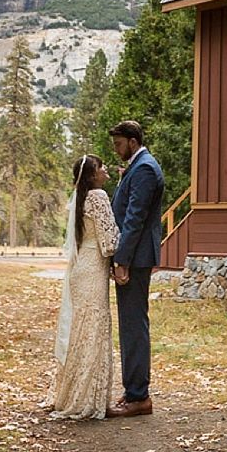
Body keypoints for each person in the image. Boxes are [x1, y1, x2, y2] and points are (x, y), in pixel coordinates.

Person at [49, 154, 118, 420]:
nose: (105, 171)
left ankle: (71, 393)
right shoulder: (98, 197)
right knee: (93, 329)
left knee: (81, 330)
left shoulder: (79, 199)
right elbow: (110, 240)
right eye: (102, 167)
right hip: (93, 269)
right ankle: (87, 399)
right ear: (92, 175)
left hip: (81, 268)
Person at [106, 120, 164, 418]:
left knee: (133, 326)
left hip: (135, 258)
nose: (116, 150)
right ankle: (133, 392)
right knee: (131, 325)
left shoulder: (143, 168)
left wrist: (122, 260)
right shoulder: (139, 165)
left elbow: (134, 218)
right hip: (136, 255)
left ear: (131, 140)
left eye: (118, 144)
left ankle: (138, 397)